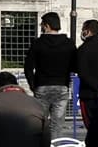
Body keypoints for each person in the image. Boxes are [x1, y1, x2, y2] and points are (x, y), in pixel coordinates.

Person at [23, 11, 76, 139]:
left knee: (40, 123)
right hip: (62, 86)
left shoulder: (37, 43)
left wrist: (32, 85)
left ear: (46, 26)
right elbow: (74, 65)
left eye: (42, 25)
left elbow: (28, 67)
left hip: (42, 85)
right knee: (57, 125)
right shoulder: (68, 43)